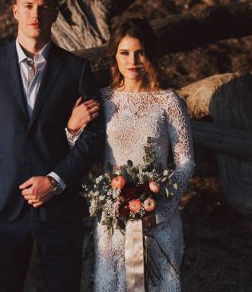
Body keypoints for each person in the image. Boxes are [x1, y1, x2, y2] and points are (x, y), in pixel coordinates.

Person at [0, 0, 105, 292]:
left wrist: (55, 181)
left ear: (55, 14)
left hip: (59, 205)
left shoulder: (75, 70)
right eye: (28, 5)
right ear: (15, 11)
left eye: (44, 7)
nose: (35, 13)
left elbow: (94, 138)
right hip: (1, 205)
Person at [67, 18, 195, 291]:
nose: (133, 60)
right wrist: (72, 127)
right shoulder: (102, 100)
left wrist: (160, 209)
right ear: (115, 56)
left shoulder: (168, 102)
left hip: (157, 218)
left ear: (150, 54)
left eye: (140, 52)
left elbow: (185, 162)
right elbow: (79, 153)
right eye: (125, 53)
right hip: (112, 218)